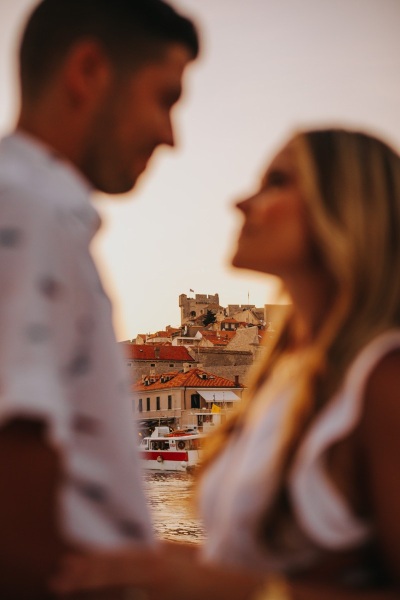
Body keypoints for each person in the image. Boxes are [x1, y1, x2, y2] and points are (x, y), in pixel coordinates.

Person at [51, 127, 400, 599]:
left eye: (278, 182)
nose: (242, 202)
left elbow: (244, 583)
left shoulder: (382, 380)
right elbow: (241, 562)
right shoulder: (284, 373)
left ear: (345, 208)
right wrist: (148, 560)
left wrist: (230, 590)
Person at [0, 0, 198, 597]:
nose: (171, 136)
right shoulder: (29, 213)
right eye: (165, 99)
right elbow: (16, 504)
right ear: (88, 71)